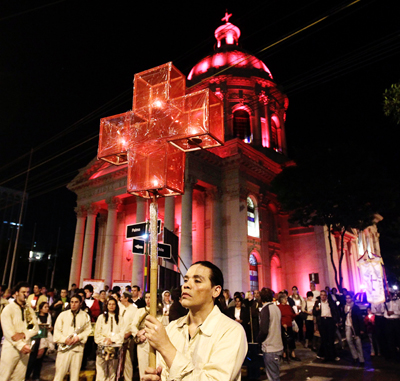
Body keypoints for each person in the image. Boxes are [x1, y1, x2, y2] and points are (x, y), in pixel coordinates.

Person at [143, 261, 247, 380]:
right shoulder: (172, 328)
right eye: (186, 280)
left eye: (197, 281)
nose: (186, 285)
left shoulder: (231, 331)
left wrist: (166, 347)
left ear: (216, 291)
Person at [0, 282, 39, 381]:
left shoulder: (29, 309)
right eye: (23, 292)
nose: (25, 294)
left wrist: (23, 334)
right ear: (16, 293)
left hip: (26, 346)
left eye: (27, 292)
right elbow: (8, 332)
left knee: (19, 378)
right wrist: (20, 346)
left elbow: (35, 328)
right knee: (4, 376)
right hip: (11, 347)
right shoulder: (8, 309)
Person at [53, 294, 92, 381]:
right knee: (59, 375)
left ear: (80, 303)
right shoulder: (63, 315)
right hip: (64, 349)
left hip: (77, 349)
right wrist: (64, 340)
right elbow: (57, 331)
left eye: (76, 302)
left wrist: (78, 337)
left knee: (74, 377)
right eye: (72, 302)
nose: (73, 304)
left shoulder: (85, 316)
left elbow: (88, 331)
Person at [132, 292, 166, 379]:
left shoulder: (159, 312)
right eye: (146, 297)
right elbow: (133, 326)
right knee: (143, 367)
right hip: (143, 342)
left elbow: (161, 325)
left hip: (155, 341)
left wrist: (145, 330)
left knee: (155, 367)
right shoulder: (140, 311)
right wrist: (138, 334)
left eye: (150, 297)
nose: (148, 300)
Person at [94, 297, 124, 381]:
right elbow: (97, 334)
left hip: (114, 348)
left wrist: (112, 339)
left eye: (113, 304)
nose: (111, 306)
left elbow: (121, 334)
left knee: (112, 372)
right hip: (102, 347)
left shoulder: (120, 318)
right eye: (109, 304)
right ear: (106, 305)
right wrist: (105, 340)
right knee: (101, 372)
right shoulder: (101, 317)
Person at [257, 287, 283, 381]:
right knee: (275, 375)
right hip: (278, 346)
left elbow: (264, 330)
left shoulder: (265, 309)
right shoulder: (276, 308)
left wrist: (258, 340)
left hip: (270, 347)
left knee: (273, 377)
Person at [26, 301, 53, 381]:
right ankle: (27, 375)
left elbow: (50, 326)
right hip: (36, 338)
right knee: (32, 358)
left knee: (40, 359)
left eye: (48, 307)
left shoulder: (48, 316)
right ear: (40, 309)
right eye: (45, 307)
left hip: (45, 339)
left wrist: (49, 328)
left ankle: (36, 375)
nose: (47, 309)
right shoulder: (35, 316)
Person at [313, 289, 340, 362]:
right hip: (322, 321)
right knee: (324, 339)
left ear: (327, 296)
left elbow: (335, 312)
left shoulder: (331, 302)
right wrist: (316, 310)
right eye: (321, 295)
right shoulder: (318, 303)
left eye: (324, 295)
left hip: (330, 321)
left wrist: (336, 321)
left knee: (331, 339)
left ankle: (333, 355)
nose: (323, 297)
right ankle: (326, 356)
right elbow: (314, 313)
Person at [120, 291, 138, 381]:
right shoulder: (120, 308)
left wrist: (129, 333)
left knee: (128, 360)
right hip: (119, 337)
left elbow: (134, 324)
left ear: (127, 298)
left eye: (122, 297)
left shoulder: (134, 309)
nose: (120, 299)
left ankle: (128, 378)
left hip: (129, 338)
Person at [277, 292, 300, 361]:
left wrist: (296, 314)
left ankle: (292, 353)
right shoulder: (279, 307)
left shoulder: (288, 307)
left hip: (289, 325)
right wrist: (283, 323)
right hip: (283, 325)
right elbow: (278, 317)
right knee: (283, 339)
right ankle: (284, 353)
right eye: (285, 299)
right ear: (282, 300)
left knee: (291, 339)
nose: (286, 300)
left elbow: (291, 315)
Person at [344, 294, 365, 366]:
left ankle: (361, 359)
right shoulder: (345, 307)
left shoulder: (355, 307)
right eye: (346, 298)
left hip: (355, 326)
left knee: (358, 342)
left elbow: (360, 318)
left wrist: (362, 328)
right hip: (348, 325)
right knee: (349, 340)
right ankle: (355, 356)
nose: (347, 299)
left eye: (349, 298)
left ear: (352, 299)